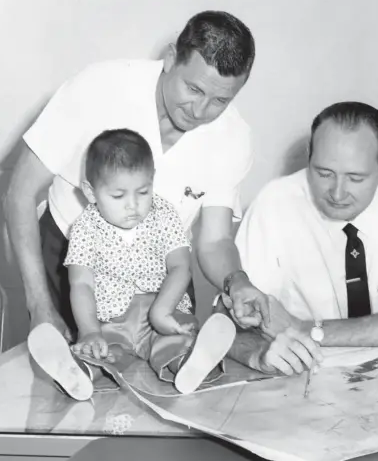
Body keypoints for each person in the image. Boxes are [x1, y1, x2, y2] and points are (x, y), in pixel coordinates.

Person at [4, 10, 270, 345]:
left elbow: (214, 241)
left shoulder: (233, 136)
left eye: (220, 100)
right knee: (77, 378)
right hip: (73, 261)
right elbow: (19, 194)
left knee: (170, 370)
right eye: (193, 89)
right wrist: (40, 304)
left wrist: (237, 280)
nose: (200, 112)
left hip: (162, 272)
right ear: (171, 58)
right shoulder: (99, 86)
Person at [221, 101, 378, 376]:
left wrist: (305, 329)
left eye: (355, 178)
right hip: (311, 379)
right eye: (324, 173)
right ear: (309, 155)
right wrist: (258, 355)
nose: (337, 193)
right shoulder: (274, 203)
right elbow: (225, 327)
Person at [28, 128, 236, 399]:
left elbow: (180, 266)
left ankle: (190, 364)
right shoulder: (83, 228)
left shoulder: (164, 214)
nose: (133, 206)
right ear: (91, 192)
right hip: (110, 318)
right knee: (102, 351)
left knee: (176, 341)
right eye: (118, 196)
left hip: (163, 307)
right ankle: (79, 373)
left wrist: (161, 311)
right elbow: (81, 284)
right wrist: (90, 331)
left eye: (143, 191)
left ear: (152, 181)